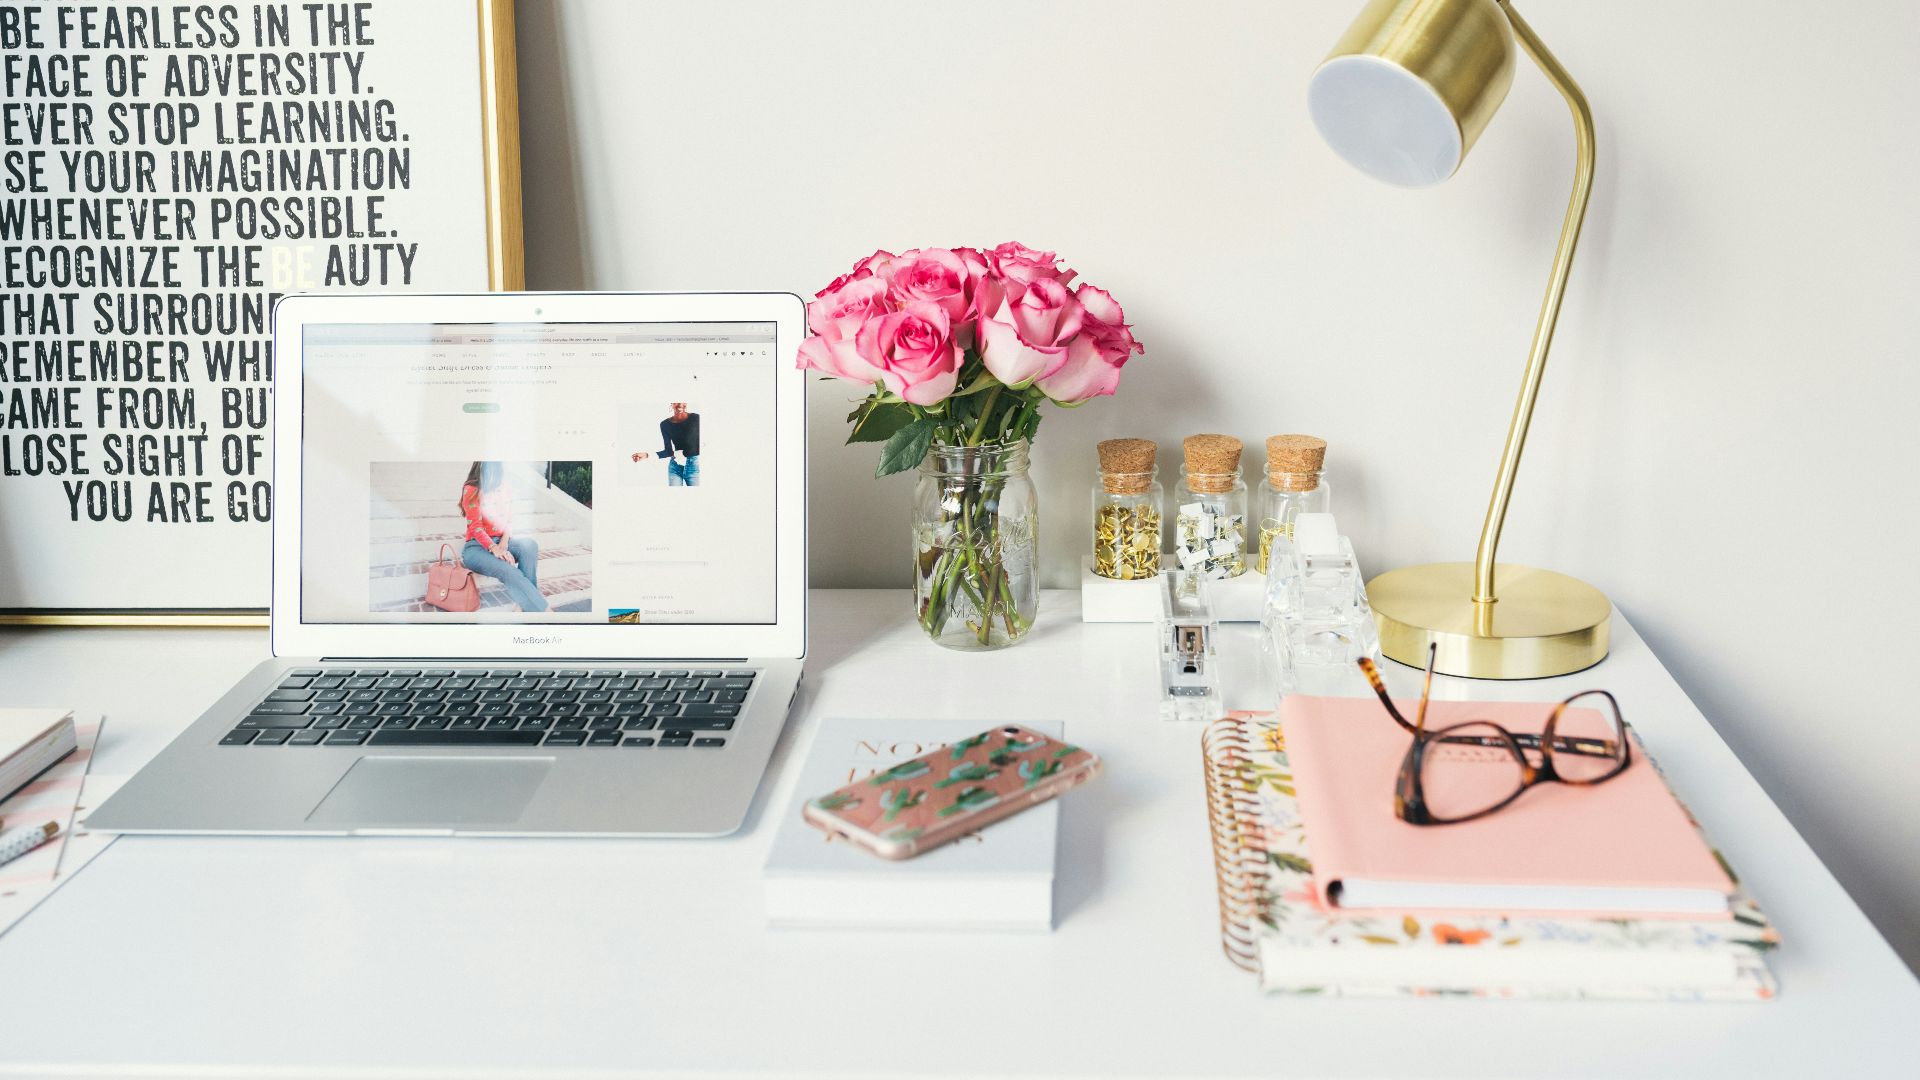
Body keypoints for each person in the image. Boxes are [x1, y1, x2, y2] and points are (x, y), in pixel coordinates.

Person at [456, 461, 547, 612]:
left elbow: (509, 520)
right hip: (476, 547)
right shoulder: (471, 489)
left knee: (530, 545)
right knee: (509, 570)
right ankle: (544, 613)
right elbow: (475, 527)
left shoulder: (505, 488)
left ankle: (525, 603)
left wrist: (503, 543)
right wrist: (494, 547)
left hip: (501, 541)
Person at [630, 402, 700, 486]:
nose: (680, 405)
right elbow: (668, 451)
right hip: (675, 467)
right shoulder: (665, 424)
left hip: (694, 467)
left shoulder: (696, 418)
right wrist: (646, 455)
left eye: (683, 401)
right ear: (671, 403)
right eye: (677, 402)